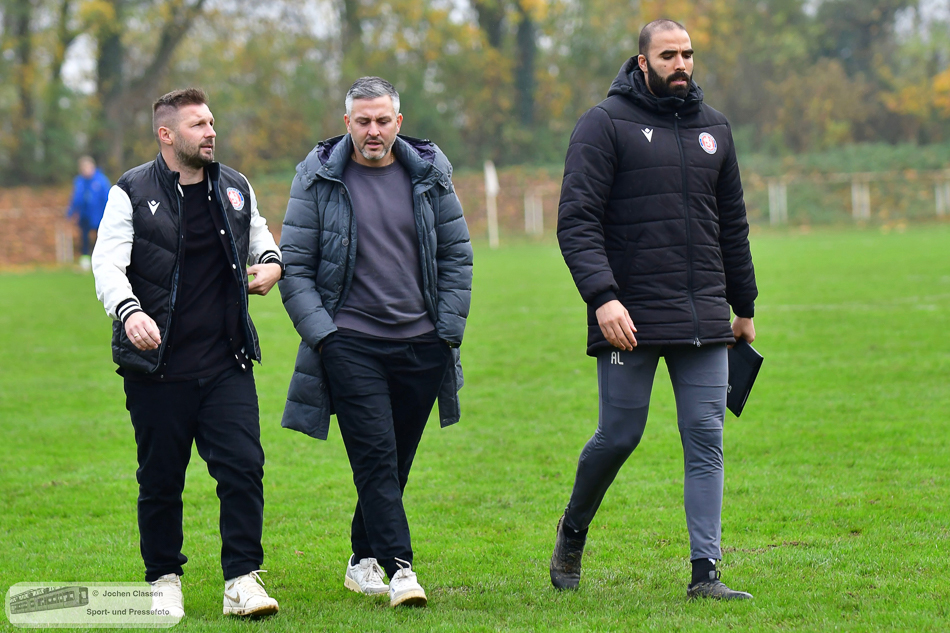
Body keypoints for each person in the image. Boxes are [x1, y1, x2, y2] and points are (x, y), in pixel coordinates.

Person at [550, 19, 759, 600]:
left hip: (703, 317)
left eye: (687, 54)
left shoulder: (715, 128)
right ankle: (572, 530)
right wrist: (603, 298)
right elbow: (576, 222)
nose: (681, 64)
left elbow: (733, 225)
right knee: (619, 436)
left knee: (706, 438)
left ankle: (705, 574)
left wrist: (743, 305)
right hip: (629, 318)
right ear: (642, 62)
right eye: (668, 55)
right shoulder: (603, 124)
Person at [278, 76, 473, 608]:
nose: (373, 131)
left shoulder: (431, 174)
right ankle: (401, 569)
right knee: (376, 456)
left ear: (398, 123)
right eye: (362, 121)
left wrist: (446, 332)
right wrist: (326, 338)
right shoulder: (317, 178)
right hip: (351, 343)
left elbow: (456, 255)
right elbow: (296, 268)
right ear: (347, 123)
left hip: (423, 344)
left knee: (395, 461)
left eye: (383, 121)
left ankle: (361, 557)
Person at [91, 88, 282, 620]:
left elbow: (261, 237)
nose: (211, 132)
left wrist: (272, 263)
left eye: (212, 122)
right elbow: (107, 264)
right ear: (167, 135)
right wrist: (130, 312)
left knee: (243, 468)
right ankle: (163, 580)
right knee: (160, 480)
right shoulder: (130, 191)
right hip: (158, 368)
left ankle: (241, 580)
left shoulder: (235, 186)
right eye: (198, 125)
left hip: (226, 362)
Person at [67, 156, 110, 270]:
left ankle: (101, 260)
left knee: (100, 238)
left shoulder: (101, 181)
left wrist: (108, 214)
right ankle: (85, 260)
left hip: (99, 215)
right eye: (83, 168)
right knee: (84, 238)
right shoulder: (79, 181)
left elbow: (107, 198)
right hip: (84, 215)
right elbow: (75, 199)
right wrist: (71, 213)